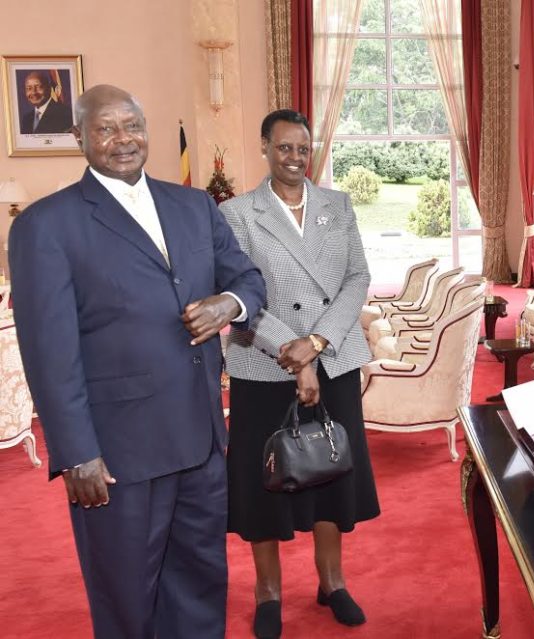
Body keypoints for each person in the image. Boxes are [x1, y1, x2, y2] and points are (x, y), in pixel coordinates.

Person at [9, 84, 266, 638]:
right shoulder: (45, 226)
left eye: (132, 125)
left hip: (200, 440)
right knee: (127, 596)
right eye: (105, 128)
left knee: (200, 584)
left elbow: (247, 277)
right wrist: (76, 452)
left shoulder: (194, 206)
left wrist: (229, 303)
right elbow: (49, 353)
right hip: (117, 454)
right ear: (78, 136)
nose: (122, 139)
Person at [219, 109, 379, 639]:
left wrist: (317, 342)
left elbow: (357, 277)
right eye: (284, 147)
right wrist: (295, 352)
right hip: (264, 362)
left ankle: (332, 581)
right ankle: (268, 590)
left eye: (303, 149)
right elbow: (238, 294)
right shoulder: (237, 213)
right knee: (263, 480)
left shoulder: (338, 205)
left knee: (332, 471)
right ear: (265, 147)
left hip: (333, 357)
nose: (294, 157)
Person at [18, 70, 73, 134]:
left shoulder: (65, 114)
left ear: (49, 89)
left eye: (38, 87)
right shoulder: (26, 119)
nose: (33, 92)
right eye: (29, 88)